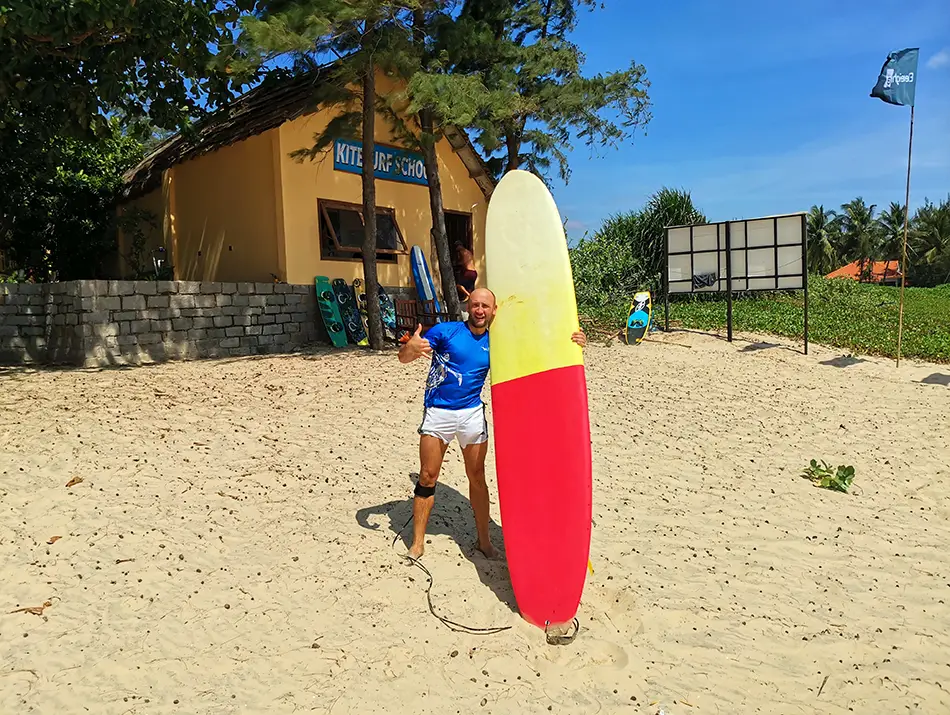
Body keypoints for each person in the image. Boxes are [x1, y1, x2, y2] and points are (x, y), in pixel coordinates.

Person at [397, 287, 586, 560]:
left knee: (477, 478)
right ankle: (417, 543)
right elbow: (405, 356)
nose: (480, 310)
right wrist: (408, 349)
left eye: (485, 306)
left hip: (472, 415)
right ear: (468, 307)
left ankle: (484, 542)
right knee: (427, 476)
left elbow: (540, 350)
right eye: (475, 305)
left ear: (494, 310)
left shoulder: (498, 341)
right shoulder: (446, 331)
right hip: (438, 413)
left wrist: (574, 341)